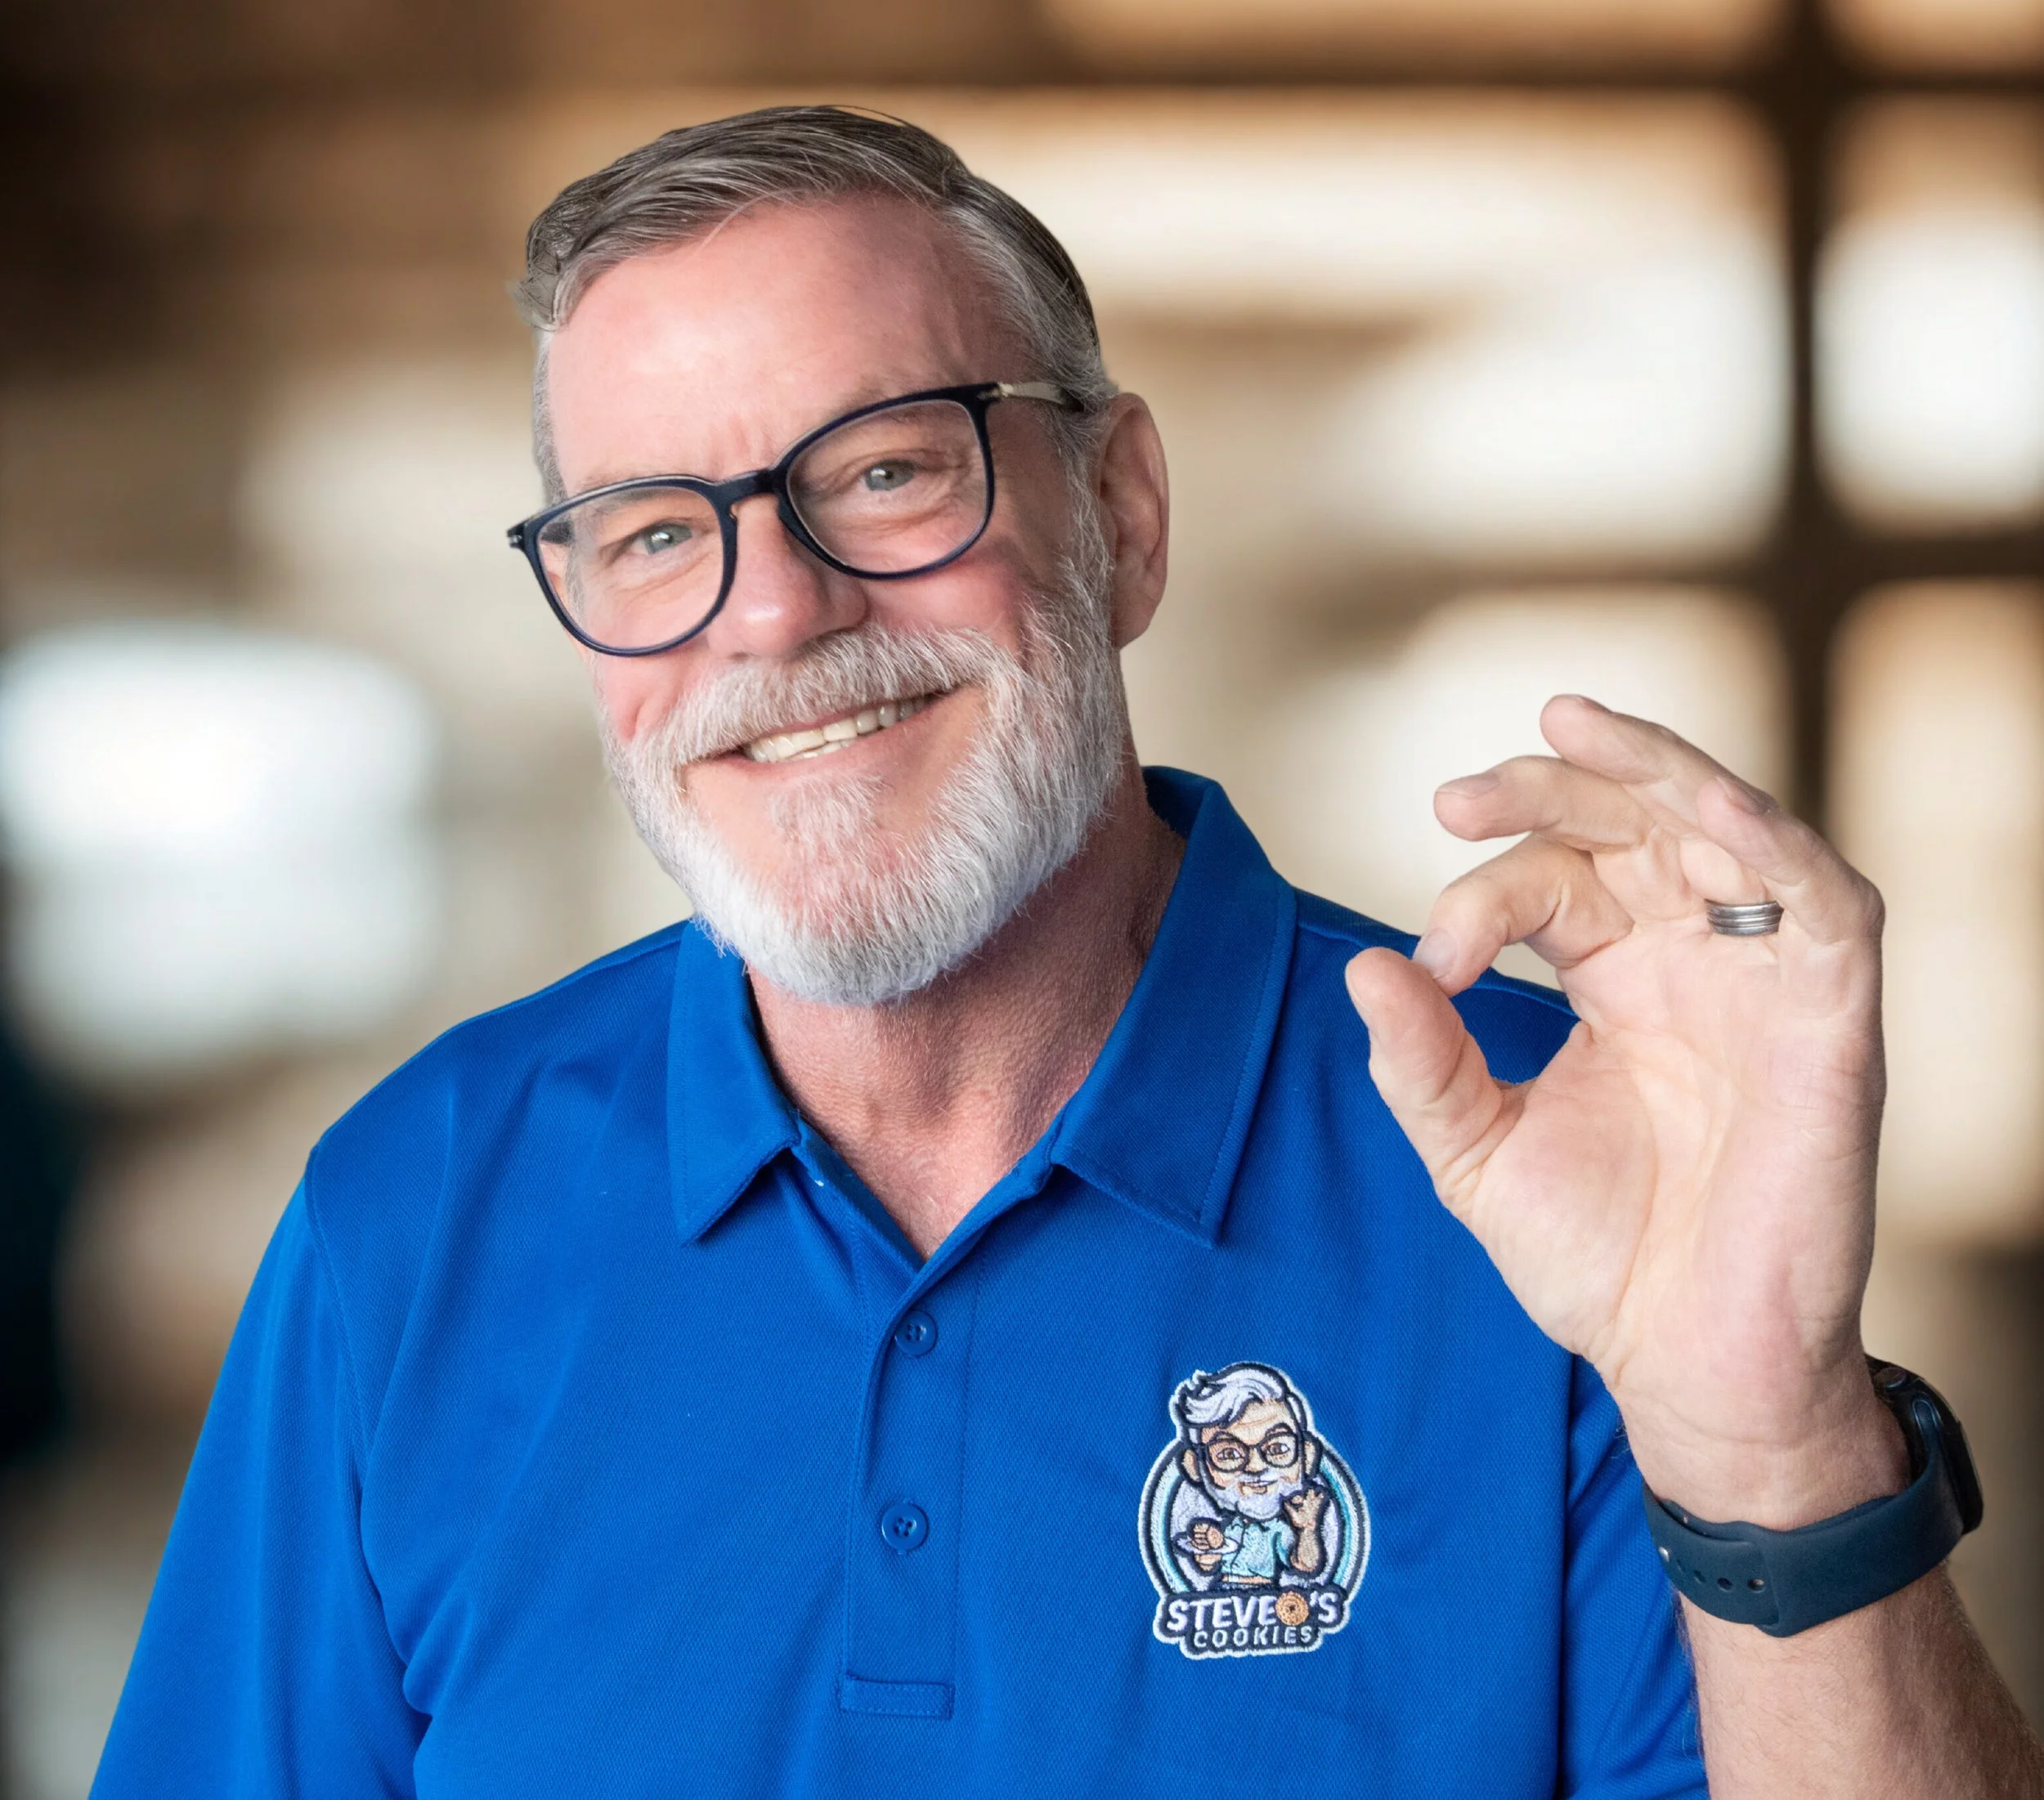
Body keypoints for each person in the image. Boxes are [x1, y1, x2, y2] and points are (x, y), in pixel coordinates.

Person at [94, 106, 2043, 1797]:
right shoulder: (416, 1208)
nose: (769, 615)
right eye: (651, 531)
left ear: (1116, 510)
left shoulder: (1552, 1173)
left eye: (880, 470)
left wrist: (1768, 1433)